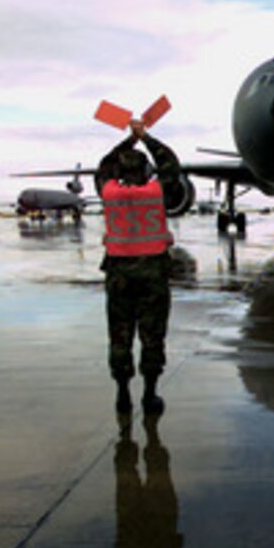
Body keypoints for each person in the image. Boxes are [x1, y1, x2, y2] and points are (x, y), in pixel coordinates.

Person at [96, 120, 180, 414]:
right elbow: (170, 164)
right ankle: (150, 394)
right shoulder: (156, 193)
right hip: (153, 277)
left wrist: (128, 141)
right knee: (152, 336)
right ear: (146, 172)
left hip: (119, 277)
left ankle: (122, 393)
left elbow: (104, 165)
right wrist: (146, 137)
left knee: (120, 336)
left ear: (118, 173)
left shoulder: (108, 193)